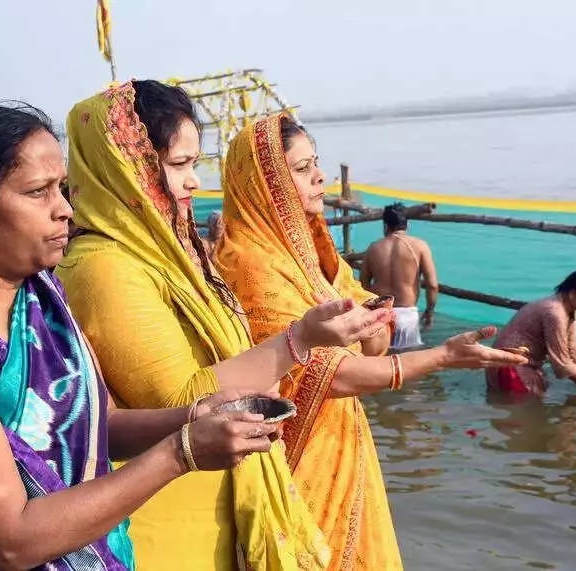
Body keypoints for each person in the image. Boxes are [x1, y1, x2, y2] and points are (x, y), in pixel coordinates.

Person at [0, 103, 286, 570]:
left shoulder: (38, 290)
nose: (64, 209)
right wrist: (182, 451)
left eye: (62, 189)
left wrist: (192, 416)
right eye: (37, 192)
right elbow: (10, 539)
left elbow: (96, 426)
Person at [55, 80, 386, 570]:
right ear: (125, 169)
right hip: (176, 532)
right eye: (178, 166)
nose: (193, 183)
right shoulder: (104, 267)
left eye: (195, 165)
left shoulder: (173, 258)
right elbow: (182, 401)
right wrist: (302, 339)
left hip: (224, 501)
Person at [215, 113, 528, 570]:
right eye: (302, 170)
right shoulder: (251, 264)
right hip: (298, 453)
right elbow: (331, 373)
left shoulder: (316, 259)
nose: (320, 176)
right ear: (268, 186)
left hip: (343, 438)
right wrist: (441, 356)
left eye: (315, 164)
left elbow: (375, 341)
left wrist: (368, 330)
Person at [486, 270, 576, 395]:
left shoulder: (570, 310)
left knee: (527, 406)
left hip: (520, 363)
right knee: (522, 411)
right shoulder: (554, 313)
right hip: (510, 366)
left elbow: (573, 351)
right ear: (572, 294)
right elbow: (562, 361)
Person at [361, 202, 438, 350]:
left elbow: (364, 285)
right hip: (407, 315)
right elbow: (432, 285)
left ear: (385, 225)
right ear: (407, 224)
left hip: (380, 313)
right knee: (407, 365)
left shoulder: (373, 248)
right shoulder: (420, 246)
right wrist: (430, 311)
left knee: (381, 364)